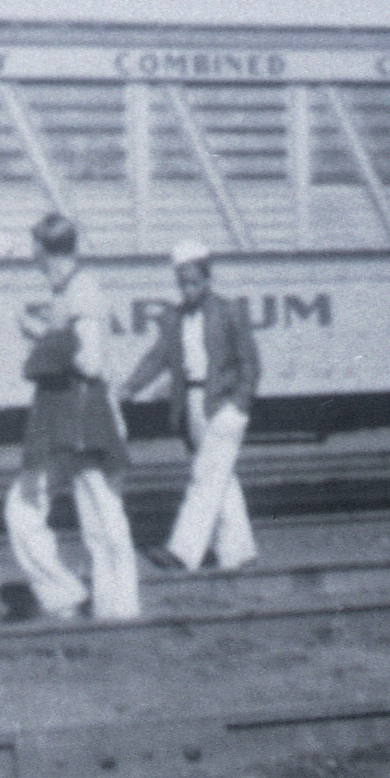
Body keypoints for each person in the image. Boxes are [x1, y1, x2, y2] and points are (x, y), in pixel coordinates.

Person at [0, 213, 139, 623]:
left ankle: (113, 608)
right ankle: (83, 599)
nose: (32, 255)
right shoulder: (68, 290)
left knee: (100, 519)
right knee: (53, 513)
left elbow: (91, 362)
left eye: (34, 248)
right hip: (64, 417)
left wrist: (41, 336)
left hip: (84, 417)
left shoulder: (83, 291)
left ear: (43, 250)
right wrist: (45, 332)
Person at [122, 237, 259, 572]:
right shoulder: (175, 318)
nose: (188, 290)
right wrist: (128, 388)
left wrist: (239, 405)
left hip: (223, 405)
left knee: (205, 477)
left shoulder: (230, 311)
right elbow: (158, 358)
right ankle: (238, 551)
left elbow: (250, 365)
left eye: (194, 283)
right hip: (192, 404)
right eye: (182, 284)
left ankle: (183, 552)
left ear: (208, 280)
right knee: (220, 478)